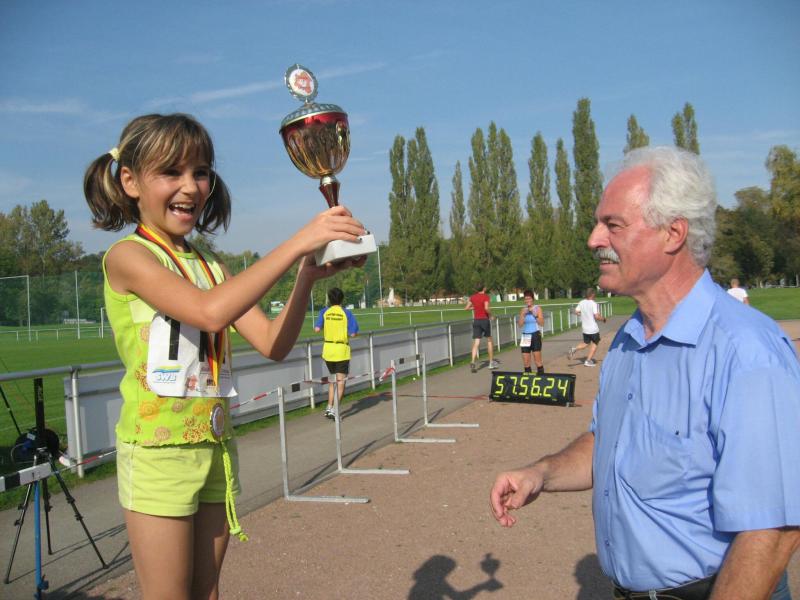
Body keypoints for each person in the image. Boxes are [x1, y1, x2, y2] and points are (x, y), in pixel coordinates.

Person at [490, 146, 800, 599]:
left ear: (673, 233)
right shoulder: (627, 341)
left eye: (613, 224)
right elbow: (609, 443)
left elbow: (772, 530)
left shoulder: (745, 352)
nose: (594, 239)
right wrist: (542, 473)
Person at [83, 113, 365, 600]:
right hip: (157, 453)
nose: (189, 186)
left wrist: (305, 275)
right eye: (171, 172)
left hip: (214, 445)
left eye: (200, 172)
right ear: (129, 181)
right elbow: (208, 313)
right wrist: (301, 239)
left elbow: (273, 344)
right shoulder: (128, 256)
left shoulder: (211, 265)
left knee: (207, 592)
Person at [314, 287, 359, 419]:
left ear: (329, 299)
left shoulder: (324, 312)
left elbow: (317, 329)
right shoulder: (347, 313)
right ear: (342, 299)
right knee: (340, 382)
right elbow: (353, 333)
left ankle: (329, 407)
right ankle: (335, 409)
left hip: (328, 350)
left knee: (332, 380)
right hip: (341, 351)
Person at [569, 287, 607, 367]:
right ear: (592, 294)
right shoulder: (593, 303)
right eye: (594, 294)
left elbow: (576, 311)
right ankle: (588, 361)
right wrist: (603, 319)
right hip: (593, 329)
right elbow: (597, 316)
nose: (595, 295)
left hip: (585, 328)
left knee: (586, 343)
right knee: (595, 343)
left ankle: (574, 349)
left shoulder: (581, 302)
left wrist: (582, 314)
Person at [464, 284, 498, 373]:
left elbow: (466, 308)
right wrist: (491, 315)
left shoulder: (473, 297)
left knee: (476, 342)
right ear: (484, 288)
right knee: (489, 340)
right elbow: (486, 308)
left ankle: (472, 361)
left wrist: (475, 307)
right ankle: (491, 362)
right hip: (484, 320)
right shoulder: (485, 296)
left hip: (476, 321)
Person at [517, 289, 544, 374]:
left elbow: (542, 323)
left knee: (538, 361)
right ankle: (528, 380)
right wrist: (523, 315)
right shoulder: (523, 310)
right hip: (525, 336)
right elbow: (520, 325)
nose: (527, 300)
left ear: (532, 299)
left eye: (529, 298)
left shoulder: (537, 308)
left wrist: (535, 315)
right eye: (526, 299)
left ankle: (541, 379)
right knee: (526, 362)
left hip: (535, 335)